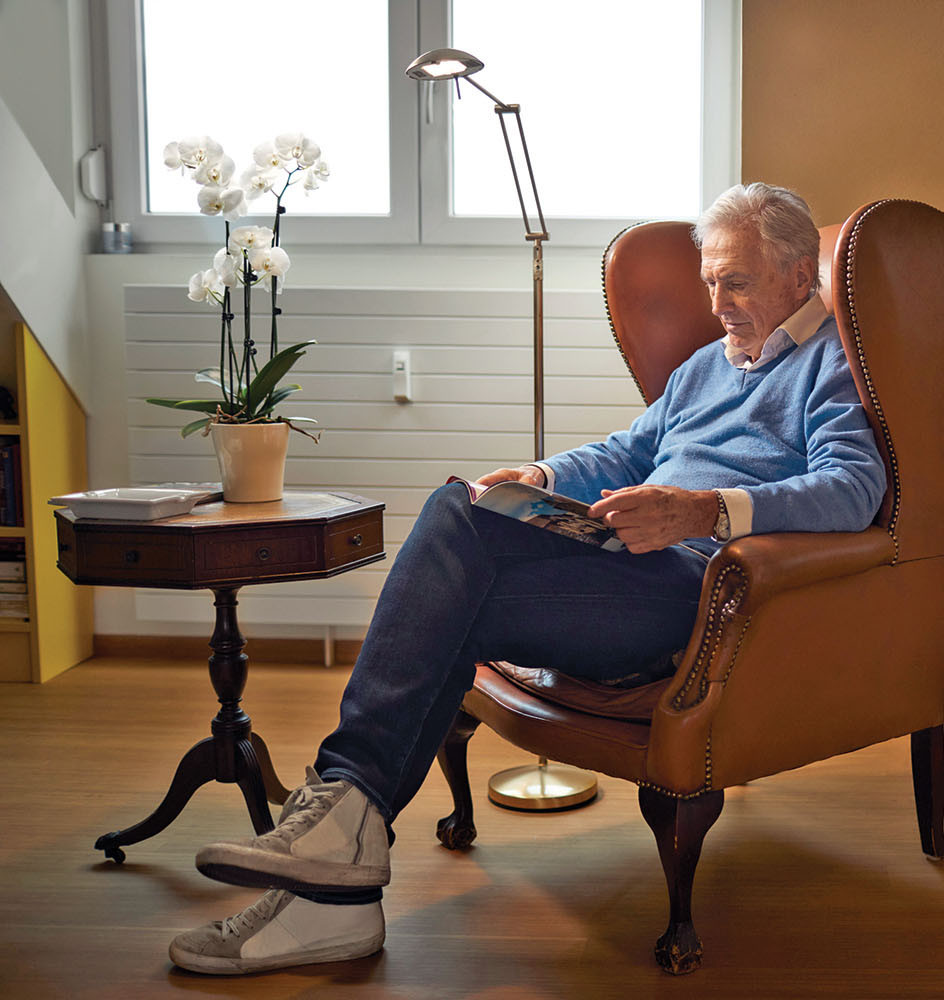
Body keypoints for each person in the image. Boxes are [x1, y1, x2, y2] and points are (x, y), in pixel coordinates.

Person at [166, 183, 888, 975]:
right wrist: (539, 474)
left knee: (455, 567)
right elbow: (624, 451)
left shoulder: (835, 367)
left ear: (796, 276)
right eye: (710, 281)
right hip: (625, 572)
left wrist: (705, 511)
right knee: (461, 510)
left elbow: (854, 490)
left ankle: (340, 825)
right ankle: (336, 889)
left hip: (695, 593)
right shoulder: (705, 369)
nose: (717, 302)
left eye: (737, 282)